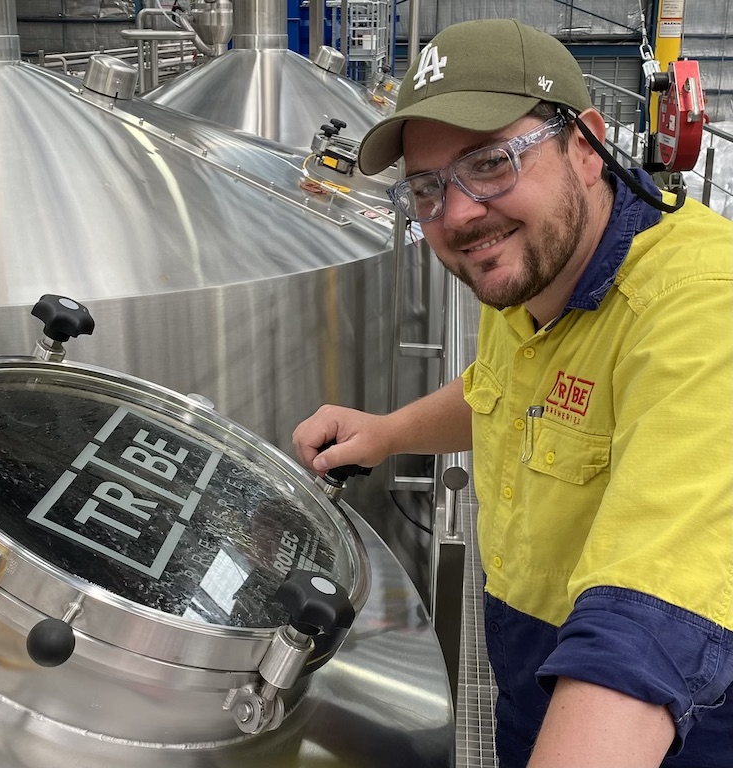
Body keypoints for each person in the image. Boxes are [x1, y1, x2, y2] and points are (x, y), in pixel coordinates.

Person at [292, 18, 733, 768]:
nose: (457, 213)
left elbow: (643, 627)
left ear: (587, 147)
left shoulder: (698, 310)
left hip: (666, 727)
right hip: (526, 674)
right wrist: (389, 430)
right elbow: (502, 389)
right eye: (428, 187)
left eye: (492, 163)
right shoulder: (533, 271)